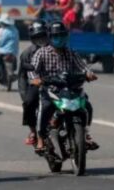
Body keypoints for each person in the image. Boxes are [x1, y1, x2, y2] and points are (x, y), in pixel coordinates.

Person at [29, 21, 99, 155]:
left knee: (87, 106)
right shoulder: (41, 53)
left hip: (71, 89)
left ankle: (85, 133)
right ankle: (40, 138)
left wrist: (89, 74)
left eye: (61, 35)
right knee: (45, 109)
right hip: (51, 90)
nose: (59, 39)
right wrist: (35, 79)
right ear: (50, 36)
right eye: (56, 36)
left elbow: (82, 66)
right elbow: (32, 70)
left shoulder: (71, 52)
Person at [18, 21, 48, 146]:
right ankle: (32, 131)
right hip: (37, 85)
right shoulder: (26, 54)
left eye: (42, 36)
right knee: (29, 103)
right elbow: (22, 77)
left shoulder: (58, 49)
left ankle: (83, 133)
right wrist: (25, 95)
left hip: (57, 85)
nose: (40, 40)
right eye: (37, 37)